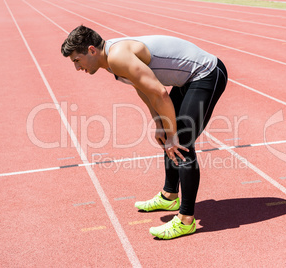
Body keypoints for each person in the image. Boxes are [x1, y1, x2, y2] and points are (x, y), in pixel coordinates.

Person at [61, 25, 228, 239]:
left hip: (206, 73)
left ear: (92, 50)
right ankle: (169, 196)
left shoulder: (117, 57)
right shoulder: (111, 59)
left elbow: (159, 93)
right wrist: (159, 123)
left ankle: (186, 220)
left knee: (181, 143)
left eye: (77, 60)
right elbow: (142, 88)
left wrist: (173, 135)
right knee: (169, 135)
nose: (77, 68)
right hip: (187, 79)